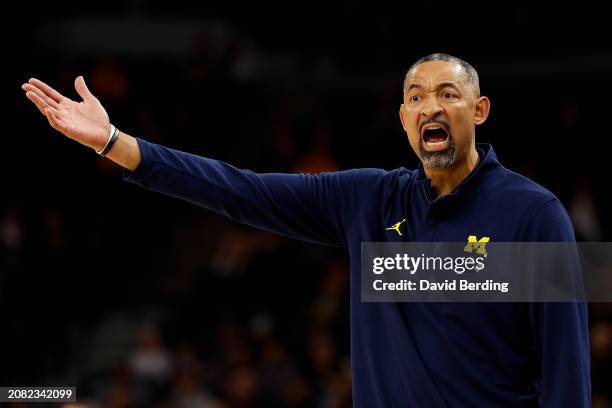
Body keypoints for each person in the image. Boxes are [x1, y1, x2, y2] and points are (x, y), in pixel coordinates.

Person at [22, 53, 590, 407]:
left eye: (448, 94)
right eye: (415, 97)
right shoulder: (368, 199)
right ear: (402, 119)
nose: (429, 107)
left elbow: (566, 368)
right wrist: (114, 142)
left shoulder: (533, 214)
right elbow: (237, 188)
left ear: (480, 110)